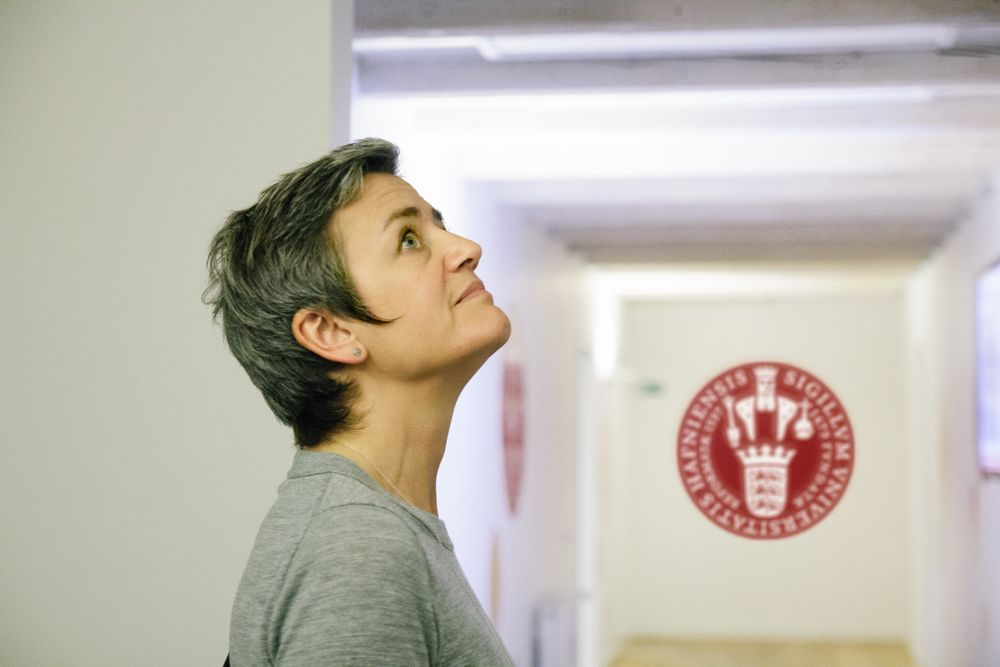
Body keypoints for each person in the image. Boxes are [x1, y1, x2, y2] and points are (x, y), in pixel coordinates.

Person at [204, 138, 515, 665]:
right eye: (410, 239)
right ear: (329, 331)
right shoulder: (357, 550)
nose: (465, 247)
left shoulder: (374, 527)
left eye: (438, 225)